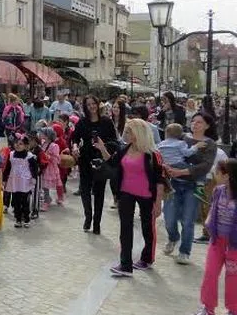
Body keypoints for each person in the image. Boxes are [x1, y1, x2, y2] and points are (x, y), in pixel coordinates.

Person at [97, 119, 164, 277]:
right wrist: (102, 148)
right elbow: (112, 162)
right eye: (125, 131)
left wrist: (158, 202)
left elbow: (161, 180)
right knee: (125, 228)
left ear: (138, 134)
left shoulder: (153, 155)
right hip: (126, 193)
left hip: (147, 196)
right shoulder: (124, 149)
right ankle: (126, 265)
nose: (125, 134)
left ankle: (147, 258)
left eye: (128, 132)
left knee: (148, 228)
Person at [163, 112, 217, 265]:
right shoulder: (182, 137)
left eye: (199, 122)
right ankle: (173, 238)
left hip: (194, 185)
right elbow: (167, 151)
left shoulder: (210, 144)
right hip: (173, 183)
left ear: (207, 125)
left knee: (188, 220)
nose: (195, 124)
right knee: (169, 218)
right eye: (193, 121)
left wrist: (182, 171)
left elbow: (205, 166)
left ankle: (184, 251)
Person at [189, 159, 237, 315]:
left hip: (234, 245)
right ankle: (208, 309)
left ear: (227, 175)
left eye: (217, 172)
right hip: (217, 241)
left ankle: (233, 313)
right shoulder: (218, 191)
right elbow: (213, 210)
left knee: (233, 278)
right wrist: (209, 225)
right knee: (210, 273)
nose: (214, 175)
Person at [71, 95, 118, 234]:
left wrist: (104, 149)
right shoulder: (82, 122)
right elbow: (75, 137)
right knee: (85, 190)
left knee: (99, 192)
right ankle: (88, 217)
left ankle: (97, 222)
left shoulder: (106, 122)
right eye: (88, 104)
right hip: (85, 158)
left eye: (93, 103)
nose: (91, 106)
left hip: (101, 160)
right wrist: (74, 147)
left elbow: (113, 142)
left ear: (98, 105)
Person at [2, 135, 38, 228]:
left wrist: (34, 178)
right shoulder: (11, 155)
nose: (18, 145)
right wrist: (4, 179)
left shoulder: (29, 156)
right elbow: (8, 168)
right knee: (15, 201)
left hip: (25, 182)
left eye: (20, 144)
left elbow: (34, 168)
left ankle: (26, 219)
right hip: (14, 182)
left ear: (26, 146)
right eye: (16, 143)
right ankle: (18, 219)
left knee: (25, 201)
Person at [38, 126, 64, 207]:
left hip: (51, 168)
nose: (40, 135)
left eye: (42, 133)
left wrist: (48, 157)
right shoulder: (42, 144)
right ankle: (47, 199)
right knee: (45, 185)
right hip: (44, 167)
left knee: (57, 184)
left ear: (47, 136)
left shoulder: (54, 146)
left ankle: (59, 197)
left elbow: (56, 159)